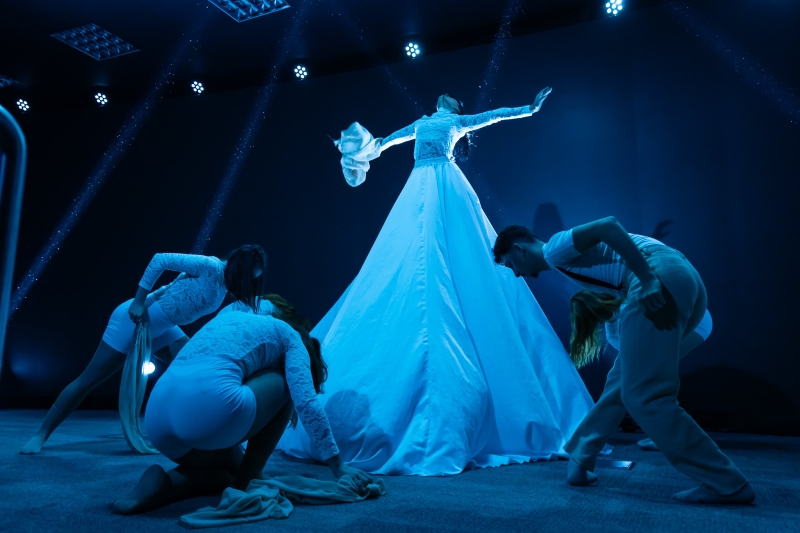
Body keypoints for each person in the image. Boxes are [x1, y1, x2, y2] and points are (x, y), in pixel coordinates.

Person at [279, 88, 600, 475]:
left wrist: (528, 109)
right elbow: (387, 141)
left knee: (448, 249)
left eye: (452, 99)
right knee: (416, 248)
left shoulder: (456, 122)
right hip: (419, 186)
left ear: (454, 107)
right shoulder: (422, 124)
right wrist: (361, 149)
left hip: (445, 186)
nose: (445, 97)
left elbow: (493, 115)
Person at [493, 219, 755, 504]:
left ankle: (727, 483)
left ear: (519, 250)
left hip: (660, 276)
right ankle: (580, 459)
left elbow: (608, 226)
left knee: (645, 395)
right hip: (680, 277)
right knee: (621, 381)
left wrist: (648, 278)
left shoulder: (555, 249)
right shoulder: (565, 261)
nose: (517, 274)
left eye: (510, 265)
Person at [113, 310, 373, 515]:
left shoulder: (233, 320)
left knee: (227, 472)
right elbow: (306, 400)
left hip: (157, 418)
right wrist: (337, 466)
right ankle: (248, 482)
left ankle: (165, 486)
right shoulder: (290, 338)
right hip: (208, 413)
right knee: (288, 383)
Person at [20, 245, 267, 455]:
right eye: (248, 276)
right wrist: (139, 302)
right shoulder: (210, 266)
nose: (248, 283)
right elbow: (160, 259)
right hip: (135, 321)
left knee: (198, 371)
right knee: (91, 379)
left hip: (164, 327)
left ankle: (202, 437)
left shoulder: (224, 286)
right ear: (239, 266)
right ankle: (41, 435)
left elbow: (176, 288)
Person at [572, 290, 713, 451]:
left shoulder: (626, 306)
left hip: (694, 322)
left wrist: (633, 356)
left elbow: (645, 336)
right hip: (678, 324)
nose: (595, 323)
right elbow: (613, 338)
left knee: (654, 381)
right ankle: (665, 435)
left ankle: (675, 437)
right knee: (649, 381)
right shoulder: (612, 312)